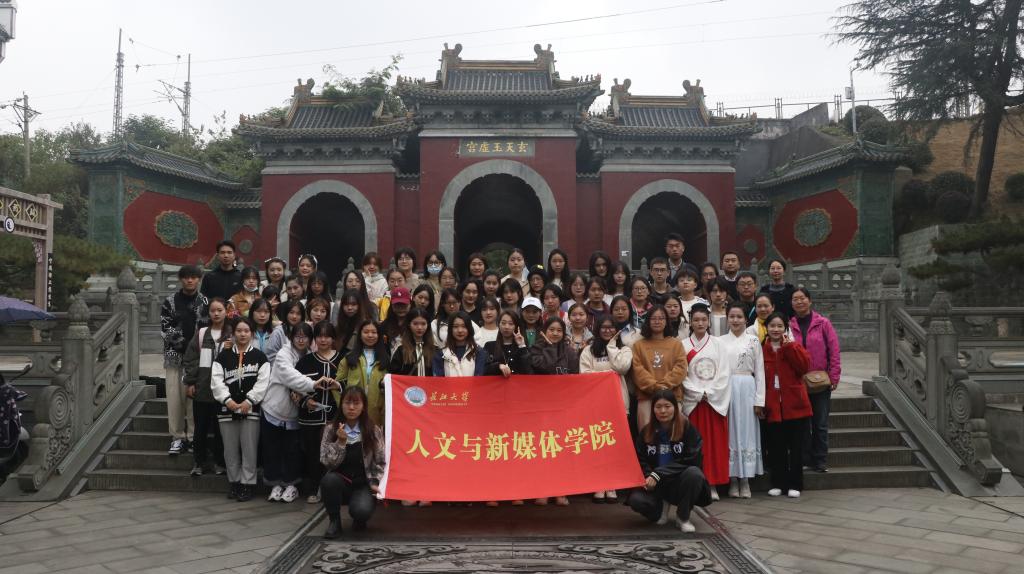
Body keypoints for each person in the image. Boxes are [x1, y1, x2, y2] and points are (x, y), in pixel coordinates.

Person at [628, 389, 712, 533]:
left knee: (694, 474)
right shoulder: (646, 432)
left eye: (667, 406)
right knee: (635, 500)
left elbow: (693, 459)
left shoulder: (687, 428)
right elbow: (640, 459)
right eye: (658, 407)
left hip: (680, 481)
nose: (663, 411)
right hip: (656, 484)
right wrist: (649, 476)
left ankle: (683, 517)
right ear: (653, 409)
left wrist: (659, 473)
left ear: (675, 407)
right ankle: (660, 509)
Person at [211, 317, 270, 502]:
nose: (242, 334)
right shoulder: (223, 357)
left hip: (250, 410)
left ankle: (247, 484)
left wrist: (249, 401)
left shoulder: (260, 357)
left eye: (246, 331)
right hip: (226, 410)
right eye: (239, 331)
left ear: (252, 333)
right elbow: (216, 381)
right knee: (230, 450)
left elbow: (263, 382)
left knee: (249, 449)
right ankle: (234, 482)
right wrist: (227, 400)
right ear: (233, 333)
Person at [320, 386, 386, 539]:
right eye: (347, 403)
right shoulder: (330, 429)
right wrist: (340, 443)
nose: (351, 407)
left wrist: (375, 482)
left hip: (363, 483)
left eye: (356, 403)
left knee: (361, 511)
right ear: (341, 404)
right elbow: (326, 461)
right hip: (340, 482)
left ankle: (359, 518)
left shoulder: (373, 430)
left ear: (363, 406)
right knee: (328, 480)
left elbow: (381, 461)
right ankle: (334, 521)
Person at [580, 314, 633, 503]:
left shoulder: (624, 349)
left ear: (617, 329)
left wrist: (611, 347)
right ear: (597, 329)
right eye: (604, 327)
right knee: (597, 445)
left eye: (611, 327)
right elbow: (584, 375)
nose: (607, 330)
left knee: (614, 446)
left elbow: (622, 367)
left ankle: (612, 485)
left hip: (618, 403)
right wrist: (608, 374)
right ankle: (598, 484)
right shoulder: (588, 350)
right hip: (595, 404)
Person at [262, 322, 316, 503]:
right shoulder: (283, 354)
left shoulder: (310, 356)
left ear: (310, 339)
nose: (301, 340)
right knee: (273, 450)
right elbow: (290, 377)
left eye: (305, 337)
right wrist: (312, 385)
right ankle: (275, 484)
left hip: (295, 414)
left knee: (292, 450)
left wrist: (306, 391)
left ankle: (291, 485)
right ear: (291, 337)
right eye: (297, 336)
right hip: (273, 409)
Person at [681, 304, 731, 500]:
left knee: (714, 445)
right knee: (695, 446)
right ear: (690, 322)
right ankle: (697, 485)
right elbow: (681, 374)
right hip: (694, 402)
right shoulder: (683, 345)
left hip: (713, 402)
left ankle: (713, 484)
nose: (700, 323)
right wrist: (697, 393)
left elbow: (724, 373)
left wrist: (709, 393)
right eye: (696, 320)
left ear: (709, 321)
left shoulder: (718, 344)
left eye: (703, 320)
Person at [789, 288, 841, 473]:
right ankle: (805, 458)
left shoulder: (823, 323)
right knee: (802, 424)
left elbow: (834, 350)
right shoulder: (789, 325)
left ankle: (820, 460)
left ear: (809, 301)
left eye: (802, 298)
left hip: (820, 381)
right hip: (797, 382)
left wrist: (834, 375)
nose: (799, 302)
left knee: (820, 423)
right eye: (795, 299)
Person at [529, 316, 578, 506]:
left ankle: (561, 490)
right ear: (544, 331)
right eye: (551, 330)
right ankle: (543, 490)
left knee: (561, 449)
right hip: (541, 407)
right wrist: (549, 348)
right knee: (543, 449)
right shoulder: (536, 349)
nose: (555, 333)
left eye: (559, 330)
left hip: (562, 407)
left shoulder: (570, 352)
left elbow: (574, 379)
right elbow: (543, 366)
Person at [762, 312, 812, 498]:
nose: (775, 329)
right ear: (767, 328)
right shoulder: (762, 348)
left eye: (779, 326)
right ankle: (778, 482)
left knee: (796, 447)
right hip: (773, 405)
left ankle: (795, 484)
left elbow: (804, 367)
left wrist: (789, 346)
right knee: (777, 447)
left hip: (795, 404)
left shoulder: (793, 346)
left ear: (785, 328)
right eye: (772, 326)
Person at [160, 264, 208, 456]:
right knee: (175, 398)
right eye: (186, 277)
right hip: (175, 356)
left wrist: (194, 350)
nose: (190, 280)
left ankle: (194, 436)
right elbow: (166, 329)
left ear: (199, 279)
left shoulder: (204, 301)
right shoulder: (170, 302)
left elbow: (206, 328)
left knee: (193, 398)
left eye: (193, 277)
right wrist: (185, 346)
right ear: (181, 279)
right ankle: (177, 437)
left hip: (198, 358)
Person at [295, 321, 343, 503]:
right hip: (310, 418)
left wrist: (338, 386)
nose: (323, 340)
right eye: (319, 336)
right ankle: (314, 489)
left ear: (333, 338)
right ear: (314, 339)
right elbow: (295, 388)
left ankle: (331, 490)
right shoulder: (305, 361)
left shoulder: (343, 360)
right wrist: (306, 401)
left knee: (334, 454)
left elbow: (352, 385)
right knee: (313, 454)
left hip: (335, 417)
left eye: (327, 336)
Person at [721, 302, 765, 498]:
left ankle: (745, 479)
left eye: (739, 316)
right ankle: (732, 479)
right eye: (732, 316)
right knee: (730, 431)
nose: (735, 320)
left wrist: (759, 400)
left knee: (747, 432)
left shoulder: (753, 341)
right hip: (727, 388)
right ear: (727, 319)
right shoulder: (720, 341)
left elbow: (760, 372)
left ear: (746, 319)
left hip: (747, 387)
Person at [181, 298, 229, 476]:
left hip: (224, 392)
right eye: (213, 311)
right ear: (208, 313)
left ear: (226, 311)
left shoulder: (231, 334)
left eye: (219, 310)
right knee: (200, 429)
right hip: (202, 389)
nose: (216, 314)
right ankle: (199, 462)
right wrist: (191, 382)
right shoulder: (201, 334)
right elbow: (190, 359)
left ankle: (220, 462)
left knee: (221, 431)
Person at [631, 305, 688, 431]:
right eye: (653, 318)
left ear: (667, 321)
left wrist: (664, 387)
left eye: (661, 318)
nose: (657, 321)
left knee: (674, 434)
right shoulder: (638, 346)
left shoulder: (676, 344)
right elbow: (637, 371)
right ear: (648, 321)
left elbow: (681, 368)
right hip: (646, 397)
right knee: (648, 435)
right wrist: (655, 387)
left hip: (672, 397)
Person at [336, 321, 389, 425]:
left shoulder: (386, 359)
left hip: (376, 412)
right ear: (360, 335)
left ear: (379, 335)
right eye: (366, 332)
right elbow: (337, 385)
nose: (370, 335)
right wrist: (344, 406)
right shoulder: (349, 358)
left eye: (374, 332)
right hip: (352, 411)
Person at [433, 312, 488, 377]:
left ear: (469, 329)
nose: (460, 330)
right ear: (450, 329)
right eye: (455, 327)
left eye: (464, 326)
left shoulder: (479, 352)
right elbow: (439, 381)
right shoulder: (441, 354)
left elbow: (479, 379)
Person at [389, 308, 439, 377]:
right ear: (409, 324)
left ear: (428, 325)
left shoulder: (435, 349)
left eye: (423, 324)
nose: (419, 327)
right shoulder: (401, 349)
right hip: (408, 384)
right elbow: (393, 375)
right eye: (415, 324)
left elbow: (439, 374)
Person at [484, 310, 532, 377]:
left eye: (511, 324)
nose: (506, 327)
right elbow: (484, 369)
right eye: (503, 323)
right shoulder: (489, 346)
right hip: (497, 383)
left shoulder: (522, 347)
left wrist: (522, 346)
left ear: (516, 327)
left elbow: (528, 371)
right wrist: (498, 366)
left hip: (518, 383)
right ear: (498, 325)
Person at [266, 300, 306, 366]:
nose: (294, 316)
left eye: (298, 314)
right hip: (281, 369)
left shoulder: (306, 331)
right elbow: (271, 356)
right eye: (291, 312)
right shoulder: (278, 332)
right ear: (286, 313)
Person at [335, 289, 373, 354]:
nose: (349, 307)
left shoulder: (366, 326)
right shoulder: (338, 327)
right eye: (346, 304)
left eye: (353, 304)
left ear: (359, 305)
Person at [381, 287, 412, 351]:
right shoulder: (385, 325)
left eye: (404, 305)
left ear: (410, 304)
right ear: (391, 305)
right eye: (397, 305)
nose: (400, 308)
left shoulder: (416, 323)